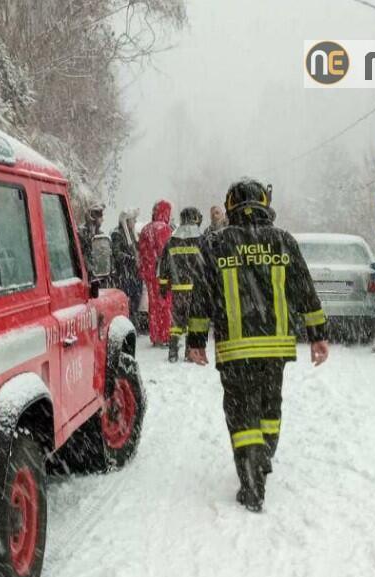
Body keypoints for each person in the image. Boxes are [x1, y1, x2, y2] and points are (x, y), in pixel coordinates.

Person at [186, 179, 330, 512]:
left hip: (235, 350)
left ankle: (251, 482)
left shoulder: (216, 244)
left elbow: (201, 297)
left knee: (241, 414)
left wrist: (195, 341)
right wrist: (318, 334)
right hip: (275, 348)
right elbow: (305, 290)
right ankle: (263, 457)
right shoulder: (283, 241)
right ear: (265, 204)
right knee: (270, 409)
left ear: (231, 205)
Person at [158, 207, 205, 362]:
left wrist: (164, 285)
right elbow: (207, 265)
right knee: (193, 321)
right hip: (196, 289)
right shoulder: (201, 239)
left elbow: (163, 265)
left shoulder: (171, 241)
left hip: (178, 289)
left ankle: (172, 351)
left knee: (176, 321)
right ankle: (189, 352)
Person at [138, 200, 175, 346]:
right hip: (161, 274)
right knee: (165, 304)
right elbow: (164, 252)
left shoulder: (145, 229)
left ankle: (155, 335)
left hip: (149, 273)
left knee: (153, 305)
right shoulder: (163, 228)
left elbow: (141, 252)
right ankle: (164, 335)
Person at [111, 209, 144, 327]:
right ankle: (127, 322)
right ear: (126, 221)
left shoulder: (132, 234)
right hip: (124, 274)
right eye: (133, 220)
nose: (135, 222)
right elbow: (117, 253)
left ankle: (134, 320)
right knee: (126, 299)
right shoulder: (117, 234)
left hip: (134, 274)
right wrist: (131, 259)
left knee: (136, 298)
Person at [78, 203, 105, 269]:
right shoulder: (82, 232)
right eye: (99, 216)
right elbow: (83, 252)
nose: (102, 219)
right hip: (87, 270)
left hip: (99, 269)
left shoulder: (100, 234)